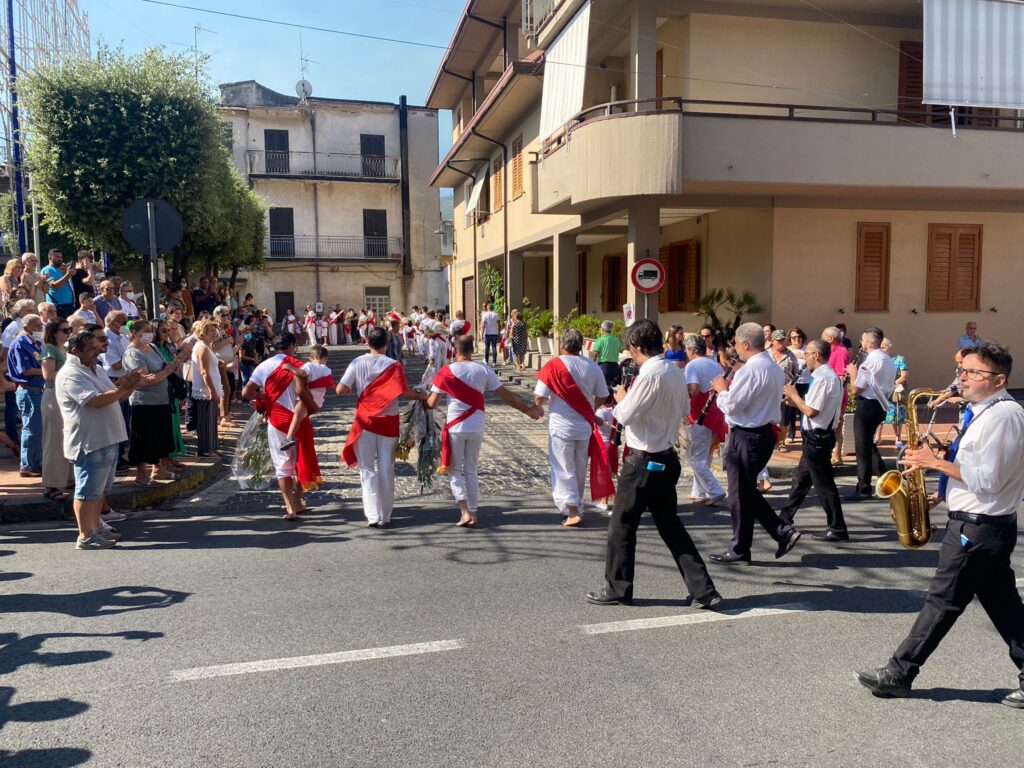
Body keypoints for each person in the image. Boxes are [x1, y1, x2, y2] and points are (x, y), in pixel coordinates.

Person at [857, 342, 1024, 709]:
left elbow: (990, 479)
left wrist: (934, 463)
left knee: (942, 601)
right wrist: (943, 493)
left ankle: (899, 673)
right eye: (962, 371)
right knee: (1005, 607)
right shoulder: (984, 411)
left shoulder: (1003, 416)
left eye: (972, 373)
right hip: (979, 523)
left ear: (998, 380)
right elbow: (977, 474)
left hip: (979, 528)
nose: (962, 378)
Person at [585, 319, 722, 609]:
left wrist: (621, 398)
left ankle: (617, 588)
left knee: (622, 525)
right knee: (670, 526)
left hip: (644, 459)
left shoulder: (650, 374)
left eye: (629, 348)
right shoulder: (674, 371)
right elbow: (684, 409)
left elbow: (625, 415)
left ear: (635, 346)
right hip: (666, 456)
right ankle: (704, 590)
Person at [709, 322, 801, 564]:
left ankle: (742, 547)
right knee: (745, 491)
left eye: (737, 343)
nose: (735, 348)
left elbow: (733, 405)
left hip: (748, 435)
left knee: (740, 494)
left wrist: (721, 390)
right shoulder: (772, 365)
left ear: (746, 344)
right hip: (762, 433)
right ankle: (778, 532)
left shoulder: (751, 370)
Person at [426, 334, 542, 526]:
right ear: (472, 350)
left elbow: (432, 403)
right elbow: (507, 396)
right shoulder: (483, 370)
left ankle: (464, 512)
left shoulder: (446, 372)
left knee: (454, 470)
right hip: (476, 424)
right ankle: (474, 512)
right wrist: (528, 410)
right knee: (471, 469)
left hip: (455, 425)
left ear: (455, 350)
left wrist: (421, 397)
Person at [57, 330, 141, 549]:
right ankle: (85, 535)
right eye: (92, 349)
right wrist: (123, 387)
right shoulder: (71, 374)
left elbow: (114, 394)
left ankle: (95, 527)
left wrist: (129, 385)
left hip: (106, 438)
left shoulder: (95, 368)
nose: (97, 352)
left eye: (97, 347)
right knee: (87, 491)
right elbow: (95, 401)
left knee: (98, 491)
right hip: (89, 441)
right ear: (76, 351)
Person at [338, 327, 427, 528]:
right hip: (388, 421)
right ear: (386, 344)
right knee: (387, 468)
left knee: (367, 469)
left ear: (368, 342)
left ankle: (372, 515)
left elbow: (340, 388)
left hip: (365, 421)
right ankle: (386, 514)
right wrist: (423, 396)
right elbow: (404, 393)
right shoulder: (393, 365)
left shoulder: (357, 362)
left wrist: (352, 388)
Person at [534, 328, 613, 527]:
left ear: (562, 345)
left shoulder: (553, 365)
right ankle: (577, 505)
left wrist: (538, 408)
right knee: (579, 468)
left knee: (563, 468)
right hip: (584, 426)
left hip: (561, 426)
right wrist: (590, 409)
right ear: (581, 346)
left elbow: (539, 396)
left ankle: (573, 510)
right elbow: (603, 394)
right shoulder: (592, 366)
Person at [242, 333, 324, 519]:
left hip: (277, 421)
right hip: (298, 419)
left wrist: (262, 397)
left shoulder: (263, 366)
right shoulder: (299, 366)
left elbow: (246, 392)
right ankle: (298, 501)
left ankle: (289, 507)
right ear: (292, 346)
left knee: (282, 464)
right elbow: (306, 391)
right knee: (299, 461)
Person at [778, 339, 848, 541]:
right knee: (800, 480)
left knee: (824, 486)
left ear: (816, 355)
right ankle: (784, 518)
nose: (804, 357)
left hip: (818, 437)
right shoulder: (823, 376)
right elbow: (810, 407)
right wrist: (794, 402)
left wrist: (793, 394)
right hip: (816, 437)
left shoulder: (823, 377)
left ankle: (838, 528)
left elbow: (812, 411)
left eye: (807, 353)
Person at [122, 319, 185, 485]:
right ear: (135, 333)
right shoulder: (133, 353)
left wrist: (173, 366)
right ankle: (141, 474)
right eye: (146, 330)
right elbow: (145, 379)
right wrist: (166, 371)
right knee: (143, 438)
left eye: (151, 329)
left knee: (160, 436)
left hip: (161, 399)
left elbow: (162, 369)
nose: (150, 333)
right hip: (143, 403)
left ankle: (158, 469)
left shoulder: (153, 347)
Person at [847, 327, 896, 498]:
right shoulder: (889, 360)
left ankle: (863, 486)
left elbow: (856, 389)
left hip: (867, 405)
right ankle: (886, 477)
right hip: (881, 405)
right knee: (867, 442)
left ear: (868, 343)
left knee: (862, 446)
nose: (861, 343)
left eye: (862, 340)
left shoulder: (868, 363)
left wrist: (853, 373)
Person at [684, 336, 727, 505]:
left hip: (700, 414)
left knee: (694, 456)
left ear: (692, 350)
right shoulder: (715, 364)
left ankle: (714, 490)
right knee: (704, 455)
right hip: (716, 413)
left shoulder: (692, 365)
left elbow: (693, 391)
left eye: (687, 350)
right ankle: (699, 491)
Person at [6, 313, 45, 476]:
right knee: (31, 428)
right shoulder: (20, 344)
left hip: (38, 390)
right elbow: (26, 370)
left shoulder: (36, 343)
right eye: (36, 326)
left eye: (40, 325)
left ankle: (36, 462)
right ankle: (27, 465)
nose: (40, 328)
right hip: (28, 391)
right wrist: (48, 371)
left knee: (39, 429)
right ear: (26, 328)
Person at [40, 318, 74, 500]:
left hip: (65, 395)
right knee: (53, 440)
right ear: (54, 333)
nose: (68, 333)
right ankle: (51, 485)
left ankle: (69, 478)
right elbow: (48, 375)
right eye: (64, 330)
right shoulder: (49, 350)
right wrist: (70, 374)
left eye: (69, 330)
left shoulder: (66, 350)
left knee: (67, 437)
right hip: (53, 396)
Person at [279, 344, 333, 451]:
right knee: (301, 418)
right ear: (325, 359)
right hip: (317, 401)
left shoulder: (309, 365)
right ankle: (295, 436)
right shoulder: (327, 370)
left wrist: (289, 367)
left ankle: (289, 438)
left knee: (296, 418)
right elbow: (329, 383)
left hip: (306, 398)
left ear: (310, 358)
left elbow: (302, 373)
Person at [154, 318, 190, 465]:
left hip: (173, 388)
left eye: (168, 330)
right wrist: (176, 362)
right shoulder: (155, 348)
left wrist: (179, 361)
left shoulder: (168, 346)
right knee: (167, 424)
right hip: (163, 390)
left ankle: (173, 455)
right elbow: (163, 367)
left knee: (174, 423)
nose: (167, 333)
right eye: (163, 330)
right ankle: (167, 459)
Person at [101, 310, 131, 467]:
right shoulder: (107, 338)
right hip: (114, 380)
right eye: (123, 321)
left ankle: (121, 454)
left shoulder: (123, 336)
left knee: (124, 420)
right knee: (117, 420)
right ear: (113, 323)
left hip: (125, 379)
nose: (126, 325)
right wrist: (133, 357)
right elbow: (115, 363)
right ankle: (116, 458)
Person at [190, 319, 223, 457]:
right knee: (205, 421)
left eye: (214, 330)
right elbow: (204, 371)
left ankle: (212, 447)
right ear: (203, 333)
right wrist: (212, 391)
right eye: (210, 331)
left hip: (211, 389)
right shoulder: (202, 347)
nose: (214, 333)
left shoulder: (207, 346)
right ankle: (204, 450)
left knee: (212, 420)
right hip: (205, 391)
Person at [823, 326, 851, 466]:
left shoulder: (840, 352)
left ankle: (837, 455)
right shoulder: (832, 351)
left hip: (836, 396)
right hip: (832, 395)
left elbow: (841, 377)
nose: (822, 339)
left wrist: (835, 398)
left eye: (824, 337)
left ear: (831, 338)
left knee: (836, 426)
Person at [879, 338, 909, 447]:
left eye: (884, 347)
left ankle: (898, 437)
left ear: (889, 347)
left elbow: (904, 375)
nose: (882, 349)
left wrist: (893, 383)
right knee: (879, 413)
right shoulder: (879, 359)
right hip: (881, 390)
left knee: (896, 414)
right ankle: (877, 437)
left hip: (895, 390)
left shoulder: (899, 359)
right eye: (880, 347)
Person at [785, 327, 809, 444]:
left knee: (803, 408)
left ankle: (804, 433)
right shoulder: (787, 351)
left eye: (799, 337)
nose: (796, 339)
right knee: (791, 409)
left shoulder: (807, 349)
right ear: (790, 339)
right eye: (794, 337)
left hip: (805, 382)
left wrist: (805, 357)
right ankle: (791, 433)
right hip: (792, 383)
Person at [39, 249, 76, 318]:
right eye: (57, 257)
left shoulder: (59, 269)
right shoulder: (48, 269)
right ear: (50, 258)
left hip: (68, 304)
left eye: (61, 257)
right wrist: (68, 275)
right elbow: (55, 286)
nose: (60, 259)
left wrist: (67, 273)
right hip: (58, 306)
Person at [592, 320, 623, 385]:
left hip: (604, 367)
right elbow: (621, 350)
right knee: (611, 386)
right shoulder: (616, 339)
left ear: (603, 329)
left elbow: (595, 354)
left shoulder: (600, 340)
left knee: (604, 387)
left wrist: (592, 364)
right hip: (615, 367)